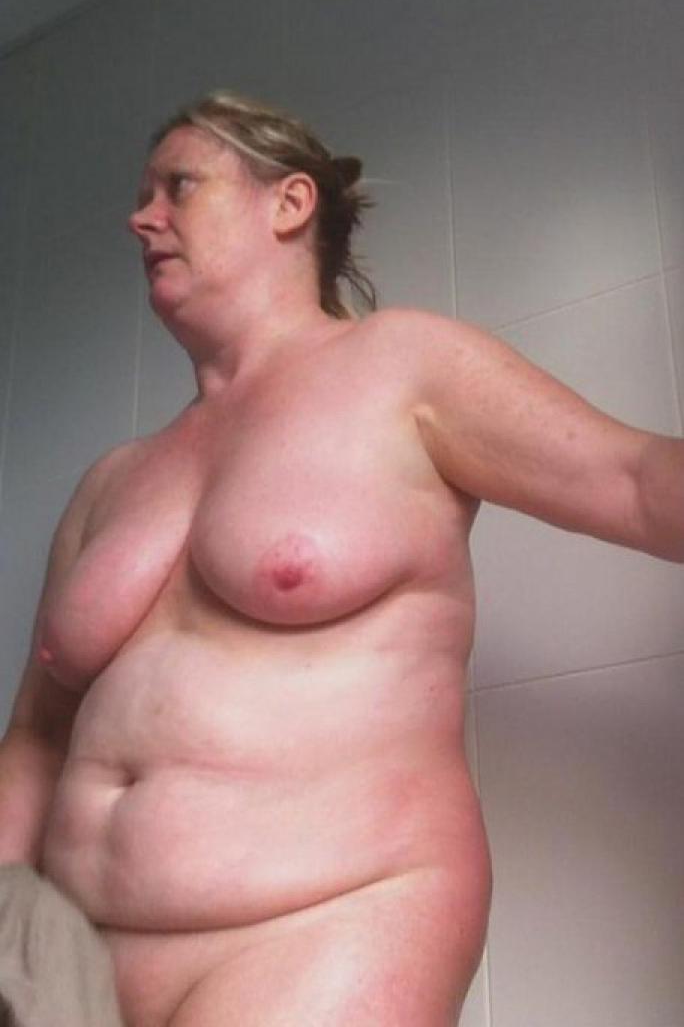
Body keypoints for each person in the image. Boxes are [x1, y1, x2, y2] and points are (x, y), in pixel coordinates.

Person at [0, 89, 682, 1027]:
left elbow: (639, 482)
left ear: (289, 203)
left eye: (177, 186)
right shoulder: (110, 482)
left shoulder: (402, 367)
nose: (141, 218)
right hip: (73, 964)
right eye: (142, 196)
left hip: (329, 923)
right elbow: (36, 741)